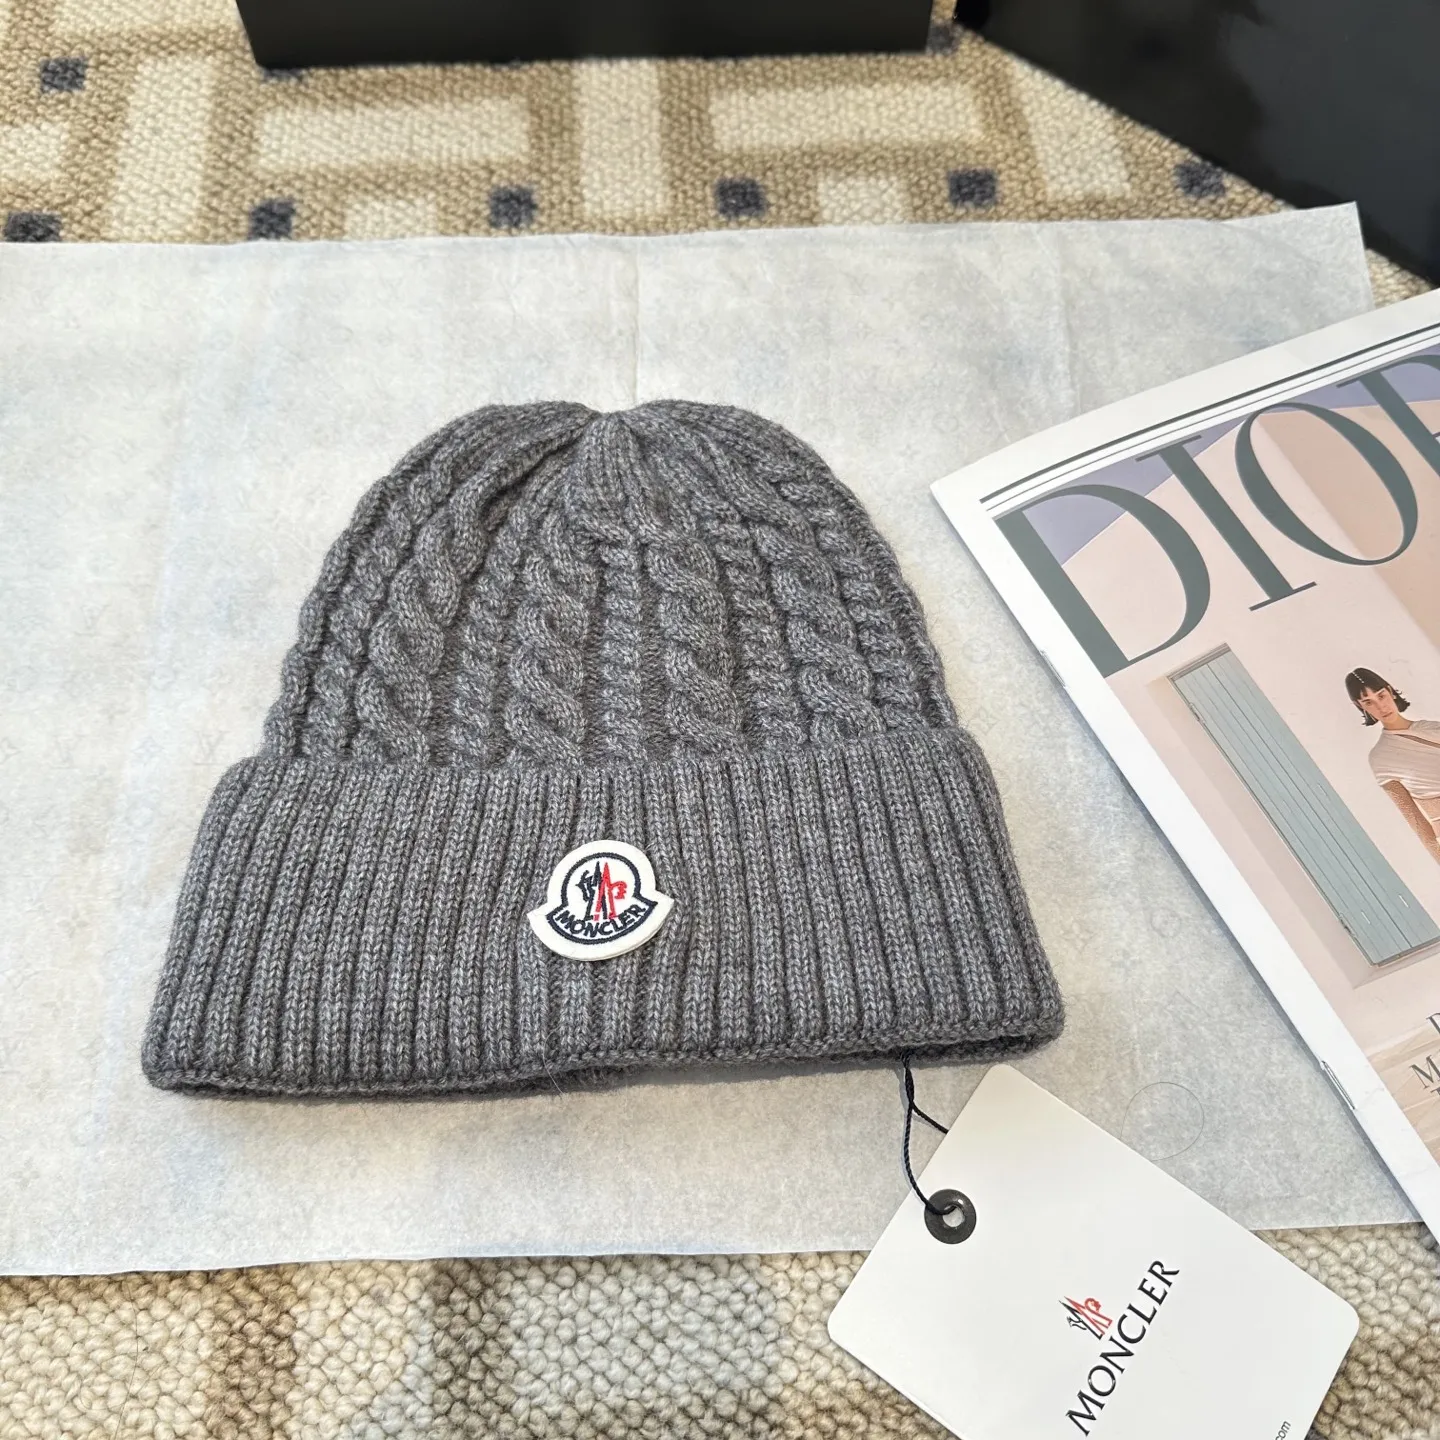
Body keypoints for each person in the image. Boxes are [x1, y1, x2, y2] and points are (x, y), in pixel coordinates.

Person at [1346, 667, 1440, 864]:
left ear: (1390, 691)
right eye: (1368, 702)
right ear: (1359, 706)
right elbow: (1416, 822)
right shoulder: (1381, 759)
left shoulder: (1434, 728)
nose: (1381, 707)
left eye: (1381, 696)